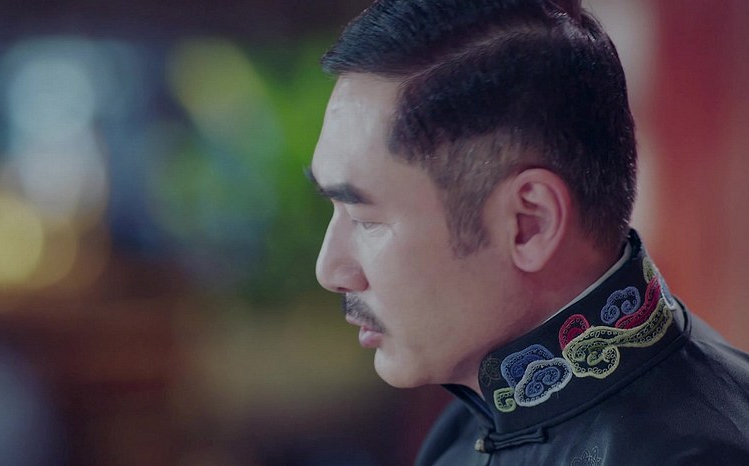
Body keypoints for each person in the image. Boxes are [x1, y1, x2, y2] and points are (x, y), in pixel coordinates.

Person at [307, 0, 749, 464]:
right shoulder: (474, 415)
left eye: (366, 220)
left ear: (529, 224)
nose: (329, 270)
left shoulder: (697, 454)